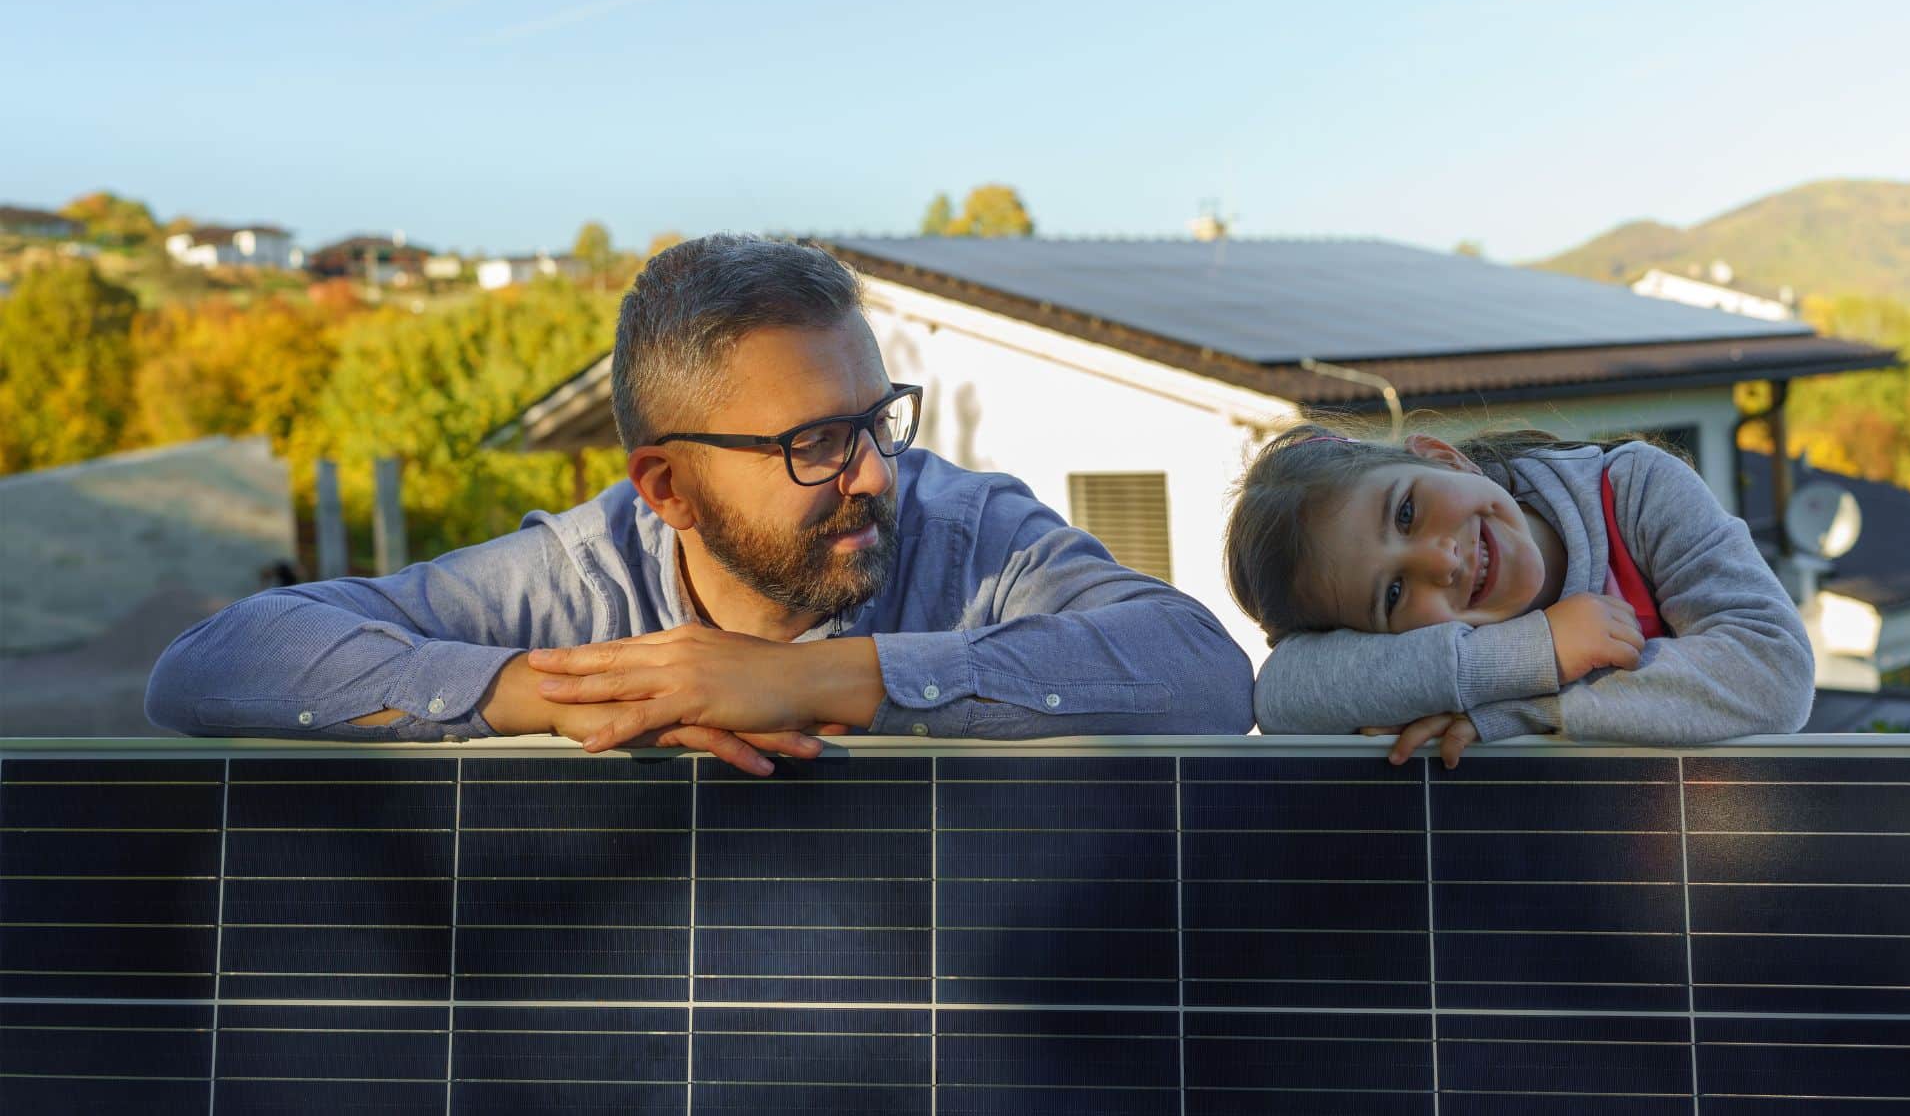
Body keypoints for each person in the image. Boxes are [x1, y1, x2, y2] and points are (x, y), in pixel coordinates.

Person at [146, 235, 1254, 772]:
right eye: (816, 441)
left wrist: (809, 679)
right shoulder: (570, 584)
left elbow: (1199, 671)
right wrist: (542, 693)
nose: (873, 471)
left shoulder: (966, 535)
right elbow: (208, 665)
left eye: (878, 418)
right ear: (665, 486)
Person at [1227, 424, 1813, 767]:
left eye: (1406, 512)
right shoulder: (1442, 649)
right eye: (1395, 593)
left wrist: (1524, 711)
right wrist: (1531, 652)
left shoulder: (1633, 489)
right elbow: (1282, 699)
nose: (1441, 560)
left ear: (1442, 456)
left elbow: (1775, 669)